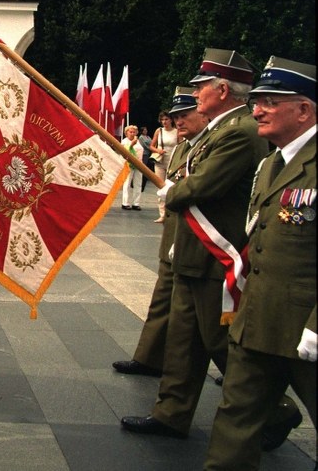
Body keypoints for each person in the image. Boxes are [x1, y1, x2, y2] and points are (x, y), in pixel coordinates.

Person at [122, 48, 304, 443]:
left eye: (203, 86)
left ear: (222, 89)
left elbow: (202, 185)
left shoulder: (238, 131)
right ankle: (171, 413)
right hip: (193, 252)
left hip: (217, 257)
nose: (197, 92)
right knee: (183, 343)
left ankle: (275, 412)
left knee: (222, 343)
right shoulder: (218, 130)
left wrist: (173, 191)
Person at [205, 57, 316, 469]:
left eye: (270, 101)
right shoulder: (271, 163)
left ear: (303, 110)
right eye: (256, 101)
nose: (257, 110)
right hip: (258, 319)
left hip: (306, 327)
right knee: (235, 421)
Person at [113, 88, 207, 377]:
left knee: (206, 326)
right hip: (175, 236)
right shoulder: (183, 146)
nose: (178, 121)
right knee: (161, 302)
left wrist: (171, 191)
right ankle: (149, 358)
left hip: (202, 241)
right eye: (174, 116)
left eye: (184, 115)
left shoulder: (209, 144)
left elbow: (193, 188)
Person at [150, 111, 178, 222]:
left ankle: (171, 212)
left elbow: (181, 146)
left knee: (171, 187)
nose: (164, 122)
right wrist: (158, 150)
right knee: (161, 186)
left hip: (172, 162)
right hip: (160, 161)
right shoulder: (159, 131)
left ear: (171, 120)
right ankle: (162, 214)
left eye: (166, 119)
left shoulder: (177, 131)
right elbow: (151, 146)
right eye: (162, 120)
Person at [120, 125, 143, 210]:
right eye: (130, 132)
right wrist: (131, 145)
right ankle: (125, 203)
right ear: (126, 133)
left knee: (138, 184)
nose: (132, 133)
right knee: (127, 184)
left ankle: (136, 203)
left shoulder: (138, 141)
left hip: (139, 164)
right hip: (129, 165)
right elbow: (124, 152)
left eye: (134, 132)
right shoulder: (124, 142)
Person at [138, 126, 153, 191]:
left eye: (146, 130)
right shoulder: (141, 137)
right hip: (144, 153)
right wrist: (151, 148)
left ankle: (143, 181)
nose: (145, 131)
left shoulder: (148, 137)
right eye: (144, 130)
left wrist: (152, 147)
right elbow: (144, 145)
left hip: (149, 153)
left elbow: (152, 142)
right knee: (143, 167)